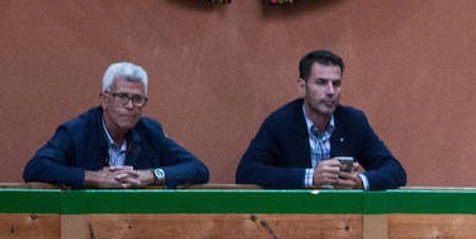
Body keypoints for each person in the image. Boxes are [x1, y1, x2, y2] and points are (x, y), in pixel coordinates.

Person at [235, 49, 406, 191]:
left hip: (344, 219)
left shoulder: (353, 121)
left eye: (336, 84)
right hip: (294, 217)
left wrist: (361, 181)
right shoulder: (280, 123)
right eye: (321, 83)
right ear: (302, 87)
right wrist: (310, 177)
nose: (331, 91)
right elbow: (246, 172)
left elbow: (395, 171)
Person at [23, 62, 209, 189]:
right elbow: (36, 168)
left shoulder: (150, 132)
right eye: (122, 97)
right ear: (105, 100)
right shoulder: (77, 131)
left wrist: (151, 175)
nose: (130, 106)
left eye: (137, 99)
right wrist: (94, 178)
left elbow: (197, 169)